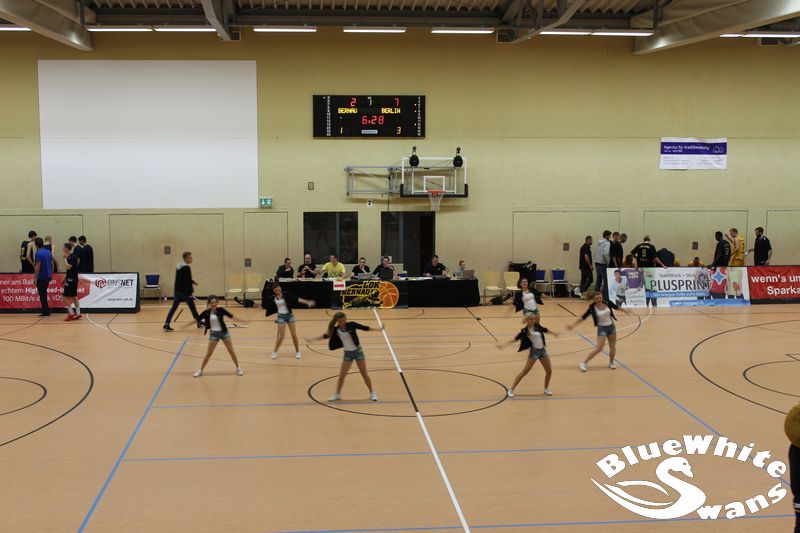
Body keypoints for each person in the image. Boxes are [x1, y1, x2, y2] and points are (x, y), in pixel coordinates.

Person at [322, 311, 377, 402]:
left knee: (364, 374)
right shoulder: (336, 330)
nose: (342, 323)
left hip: (358, 352)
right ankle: (337, 394)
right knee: (341, 376)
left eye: (344, 320)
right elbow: (326, 336)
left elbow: (365, 328)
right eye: (340, 321)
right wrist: (313, 339)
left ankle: (372, 392)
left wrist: (378, 329)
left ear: (346, 319)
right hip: (347, 354)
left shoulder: (352, 325)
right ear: (337, 322)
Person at [568, 293, 630, 372]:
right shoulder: (592, 308)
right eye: (597, 299)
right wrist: (573, 325)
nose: (599, 300)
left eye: (600, 298)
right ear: (594, 299)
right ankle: (584, 363)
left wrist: (626, 311)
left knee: (612, 347)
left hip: (611, 328)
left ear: (602, 297)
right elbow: (583, 317)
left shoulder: (608, 302)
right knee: (599, 348)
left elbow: (616, 307)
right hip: (602, 329)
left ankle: (611, 362)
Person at [500, 314, 557, 397]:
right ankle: (511, 389)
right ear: (527, 320)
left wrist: (554, 334)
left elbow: (545, 330)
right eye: (531, 319)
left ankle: (546, 389)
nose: (534, 320)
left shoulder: (537, 326)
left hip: (543, 351)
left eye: (534, 319)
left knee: (549, 371)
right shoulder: (525, 331)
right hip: (534, 353)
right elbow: (516, 338)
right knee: (525, 371)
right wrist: (504, 344)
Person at [193, 295, 245, 377]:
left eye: (215, 302)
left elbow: (231, 316)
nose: (214, 304)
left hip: (224, 333)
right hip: (214, 335)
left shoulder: (221, 310)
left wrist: (241, 320)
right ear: (209, 303)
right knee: (208, 354)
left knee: (231, 351)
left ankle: (238, 368)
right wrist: (186, 325)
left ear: (217, 302)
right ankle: (200, 370)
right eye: (212, 302)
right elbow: (197, 319)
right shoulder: (206, 312)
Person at [262, 282, 315, 359]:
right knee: (281, 336)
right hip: (281, 317)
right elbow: (265, 304)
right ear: (273, 291)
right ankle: (275, 352)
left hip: (289, 316)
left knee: (294, 335)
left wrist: (307, 302)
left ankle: (298, 352)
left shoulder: (286, 294)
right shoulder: (272, 298)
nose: (278, 291)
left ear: (280, 288)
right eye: (276, 290)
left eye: (279, 289)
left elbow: (297, 299)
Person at [163, 251, 202, 332]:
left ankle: (166, 324)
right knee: (192, 307)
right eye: (190, 257)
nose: (191, 259)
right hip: (184, 292)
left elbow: (183, 279)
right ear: (186, 258)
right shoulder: (187, 268)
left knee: (173, 308)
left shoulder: (179, 266)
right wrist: (190, 293)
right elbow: (186, 282)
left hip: (177, 291)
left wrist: (193, 282)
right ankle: (199, 323)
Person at [33, 238, 53, 317]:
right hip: (48, 276)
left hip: (41, 277)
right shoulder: (48, 252)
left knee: (42, 294)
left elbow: (38, 266)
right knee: (44, 293)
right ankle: (46, 310)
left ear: (36, 245)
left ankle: (46, 311)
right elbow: (52, 263)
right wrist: (51, 273)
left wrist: (35, 278)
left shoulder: (38, 253)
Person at [62, 242, 81, 321]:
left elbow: (69, 267)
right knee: (74, 296)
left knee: (64, 296)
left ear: (67, 248)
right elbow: (70, 270)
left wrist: (64, 259)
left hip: (71, 280)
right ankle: (78, 314)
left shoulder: (72, 257)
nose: (63, 249)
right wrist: (65, 278)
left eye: (63, 247)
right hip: (71, 278)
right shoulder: (71, 257)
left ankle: (71, 313)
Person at [593, 230, 611, 297]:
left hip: (596, 263)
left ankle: (595, 295)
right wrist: (608, 262)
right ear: (606, 236)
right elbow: (605, 253)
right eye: (609, 236)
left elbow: (594, 254)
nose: (610, 237)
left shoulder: (599, 243)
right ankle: (605, 296)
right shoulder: (607, 243)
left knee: (598, 280)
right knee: (606, 281)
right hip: (603, 264)